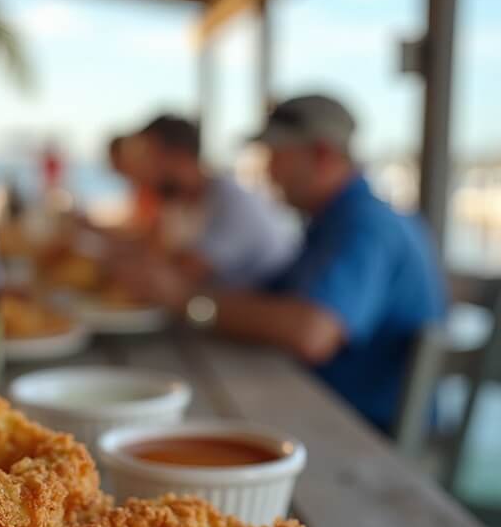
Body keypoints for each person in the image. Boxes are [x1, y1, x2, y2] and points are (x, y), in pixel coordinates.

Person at [147, 94, 448, 431]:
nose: (268, 171)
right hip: (320, 403)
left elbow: (311, 333)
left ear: (322, 155)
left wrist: (187, 301)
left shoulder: (365, 225)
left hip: (363, 430)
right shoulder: (331, 222)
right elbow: (270, 298)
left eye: (276, 156)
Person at [115, 114, 298, 286]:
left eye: (149, 159)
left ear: (180, 156)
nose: (142, 170)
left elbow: (179, 276)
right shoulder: (178, 201)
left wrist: (108, 255)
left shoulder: (231, 202)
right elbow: (154, 251)